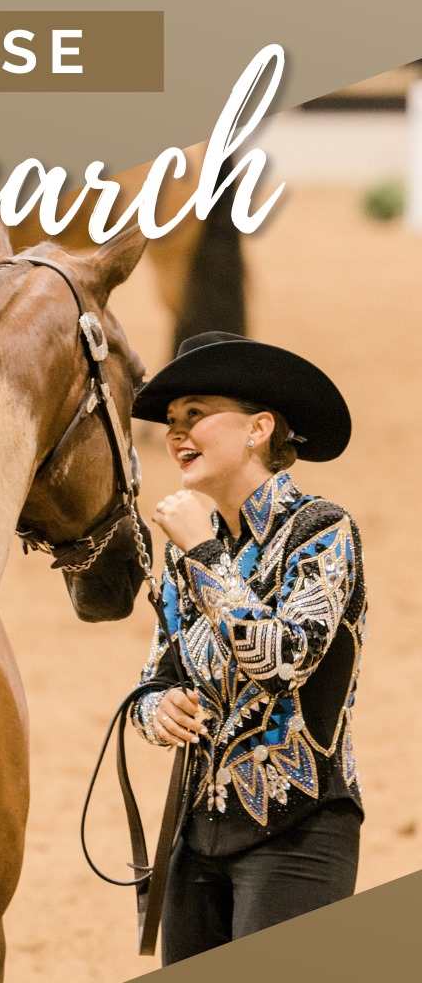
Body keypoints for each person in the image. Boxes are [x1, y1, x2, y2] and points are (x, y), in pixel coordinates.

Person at [128, 331, 366, 964]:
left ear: (259, 428)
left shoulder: (322, 530)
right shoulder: (190, 551)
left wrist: (203, 555)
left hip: (300, 832)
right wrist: (158, 710)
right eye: (172, 421)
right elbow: (154, 678)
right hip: (193, 834)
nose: (177, 434)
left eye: (196, 415)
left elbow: (283, 662)